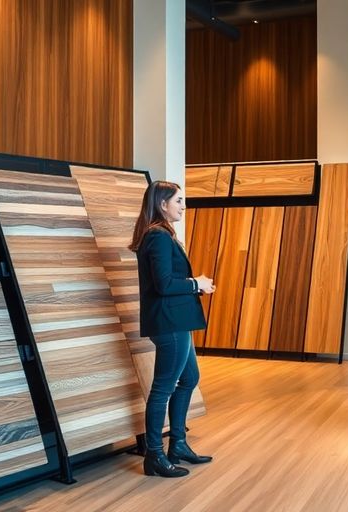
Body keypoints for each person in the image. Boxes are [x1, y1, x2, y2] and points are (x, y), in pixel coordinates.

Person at [129, 181, 216, 478]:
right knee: (163, 388)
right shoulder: (158, 237)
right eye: (178, 200)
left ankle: (177, 443)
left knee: (189, 378)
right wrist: (197, 283)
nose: (182, 205)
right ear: (162, 204)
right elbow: (164, 285)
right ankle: (154, 455)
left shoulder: (162, 235)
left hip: (175, 321)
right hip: (169, 323)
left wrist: (195, 287)